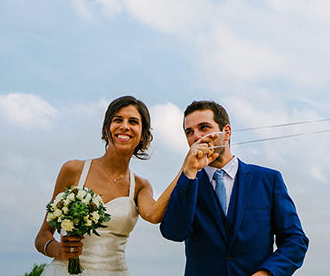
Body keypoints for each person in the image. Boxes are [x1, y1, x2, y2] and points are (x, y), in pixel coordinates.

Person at [34, 95, 212, 275]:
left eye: (133, 122)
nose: (125, 126)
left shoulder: (140, 185)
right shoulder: (73, 169)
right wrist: (58, 250)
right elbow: (42, 237)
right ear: (106, 129)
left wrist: (186, 167)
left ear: (143, 136)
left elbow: (153, 214)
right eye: (118, 120)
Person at [160, 100, 309, 276]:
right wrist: (190, 173)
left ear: (227, 132)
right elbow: (174, 233)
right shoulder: (187, 183)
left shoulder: (268, 180)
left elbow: (295, 240)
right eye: (189, 132)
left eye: (204, 127)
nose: (196, 136)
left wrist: (267, 273)